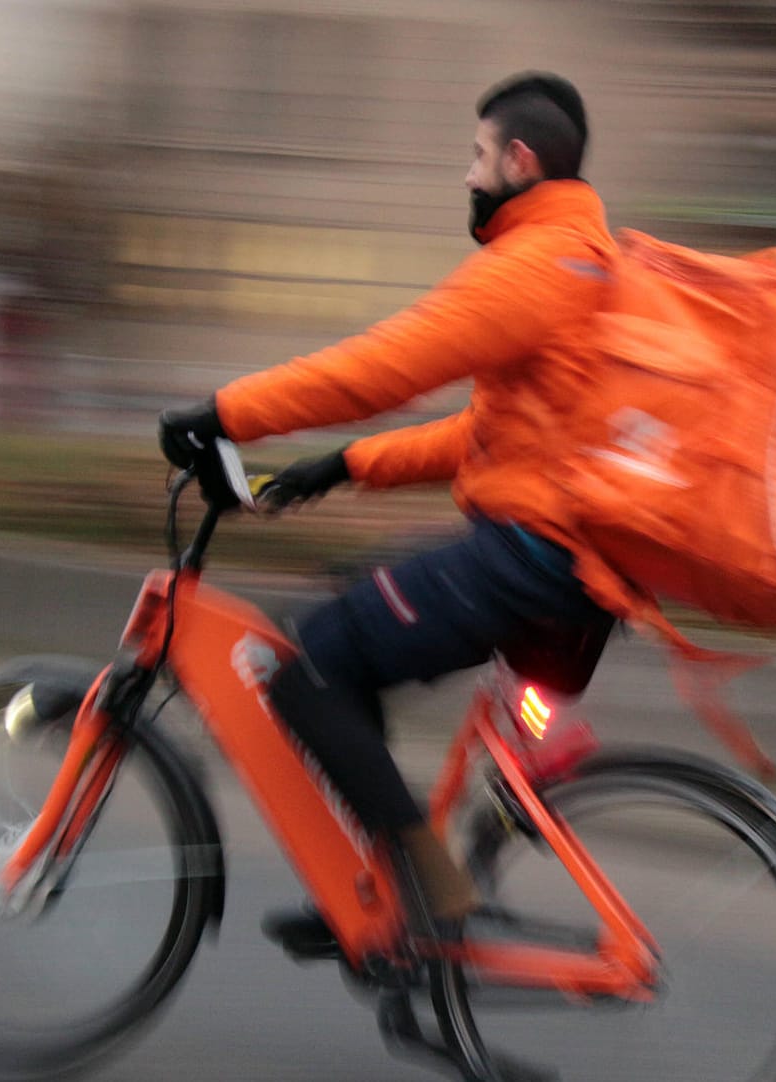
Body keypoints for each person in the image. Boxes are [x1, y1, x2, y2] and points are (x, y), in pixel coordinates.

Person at [159, 72, 619, 947]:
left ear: (521, 161)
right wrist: (345, 465)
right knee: (347, 601)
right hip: (561, 554)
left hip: (535, 556)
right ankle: (389, 882)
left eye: (478, 155)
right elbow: (492, 437)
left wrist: (222, 414)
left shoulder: (536, 267)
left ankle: (420, 890)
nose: (468, 175)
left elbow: (383, 367)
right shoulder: (582, 260)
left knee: (310, 666)